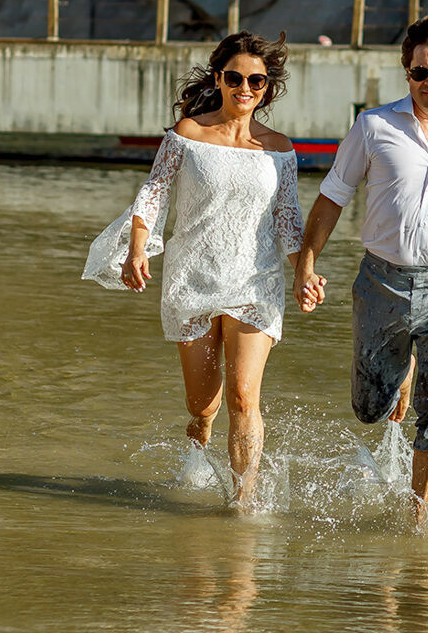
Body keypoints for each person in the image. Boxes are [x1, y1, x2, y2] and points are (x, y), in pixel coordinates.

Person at [294, 14, 428, 523]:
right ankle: (400, 370)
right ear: (406, 70)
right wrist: (305, 265)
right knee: (369, 409)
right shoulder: (374, 126)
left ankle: (418, 517)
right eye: (420, 72)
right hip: (381, 282)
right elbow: (331, 198)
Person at [83, 30, 304, 507]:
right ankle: (198, 447)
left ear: (268, 87)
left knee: (245, 399)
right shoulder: (188, 134)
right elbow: (154, 194)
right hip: (193, 278)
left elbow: (289, 221)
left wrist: (305, 271)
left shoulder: (280, 150)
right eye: (235, 78)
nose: (245, 88)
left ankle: (243, 503)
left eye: (257, 81)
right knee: (203, 405)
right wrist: (138, 249)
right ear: (220, 78)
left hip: (255, 283)